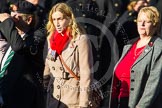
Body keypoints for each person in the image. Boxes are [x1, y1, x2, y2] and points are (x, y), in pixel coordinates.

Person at [109, 6, 162, 108]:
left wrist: (141, 106)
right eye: (140, 21)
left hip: (139, 103)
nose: (142, 24)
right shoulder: (129, 45)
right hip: (119, 101)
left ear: (155, 25)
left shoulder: (159, 46)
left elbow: (154, 83)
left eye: (147, 21)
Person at [43, 2, 94, 108]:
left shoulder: (81, 40)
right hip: (54, 97)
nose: (57, 23)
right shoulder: (51, 39)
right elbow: (48, 66)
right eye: (54, 20)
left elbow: (86, 75)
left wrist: (83, 104)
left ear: (69, 19)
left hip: (73, 98)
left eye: (60, 19)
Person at [0, 1, 46, 108]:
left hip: (24, 98)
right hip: (8, 96)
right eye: (12, 14)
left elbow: (18, 47)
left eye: (17, 16)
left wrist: (7, 21)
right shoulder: (13, 38)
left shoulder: (37, 37)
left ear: (29, 20)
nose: (13, 18)